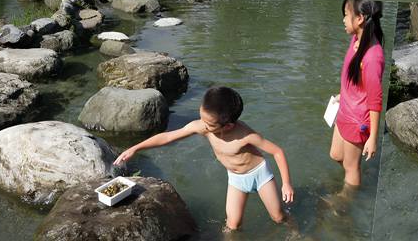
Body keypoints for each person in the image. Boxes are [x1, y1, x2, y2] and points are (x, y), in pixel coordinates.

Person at [114, 86, 295, 232]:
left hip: (259, 174)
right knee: (232, 225)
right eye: (202, 118)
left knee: (278, 217)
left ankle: (295, 232)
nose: (203, 125)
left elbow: (277, 152)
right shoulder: (203, 126)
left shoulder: (245, 135)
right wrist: (135, 148)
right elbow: (168, 137)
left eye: (209, 123)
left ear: (228, 126)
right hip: (236, 179)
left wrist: (286, 184)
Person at [329, 0, 385, 187]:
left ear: (360, 18)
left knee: (350, 167)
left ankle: (345, 200)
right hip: (346, 109)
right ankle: (353, 174)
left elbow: (375, 101)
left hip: (357, 119)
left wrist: (372, 138)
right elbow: (352, 76)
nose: (343, 20)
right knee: (336, 155)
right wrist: (343, 94)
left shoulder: (372, 57)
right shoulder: (357, 39)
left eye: (346, 15)